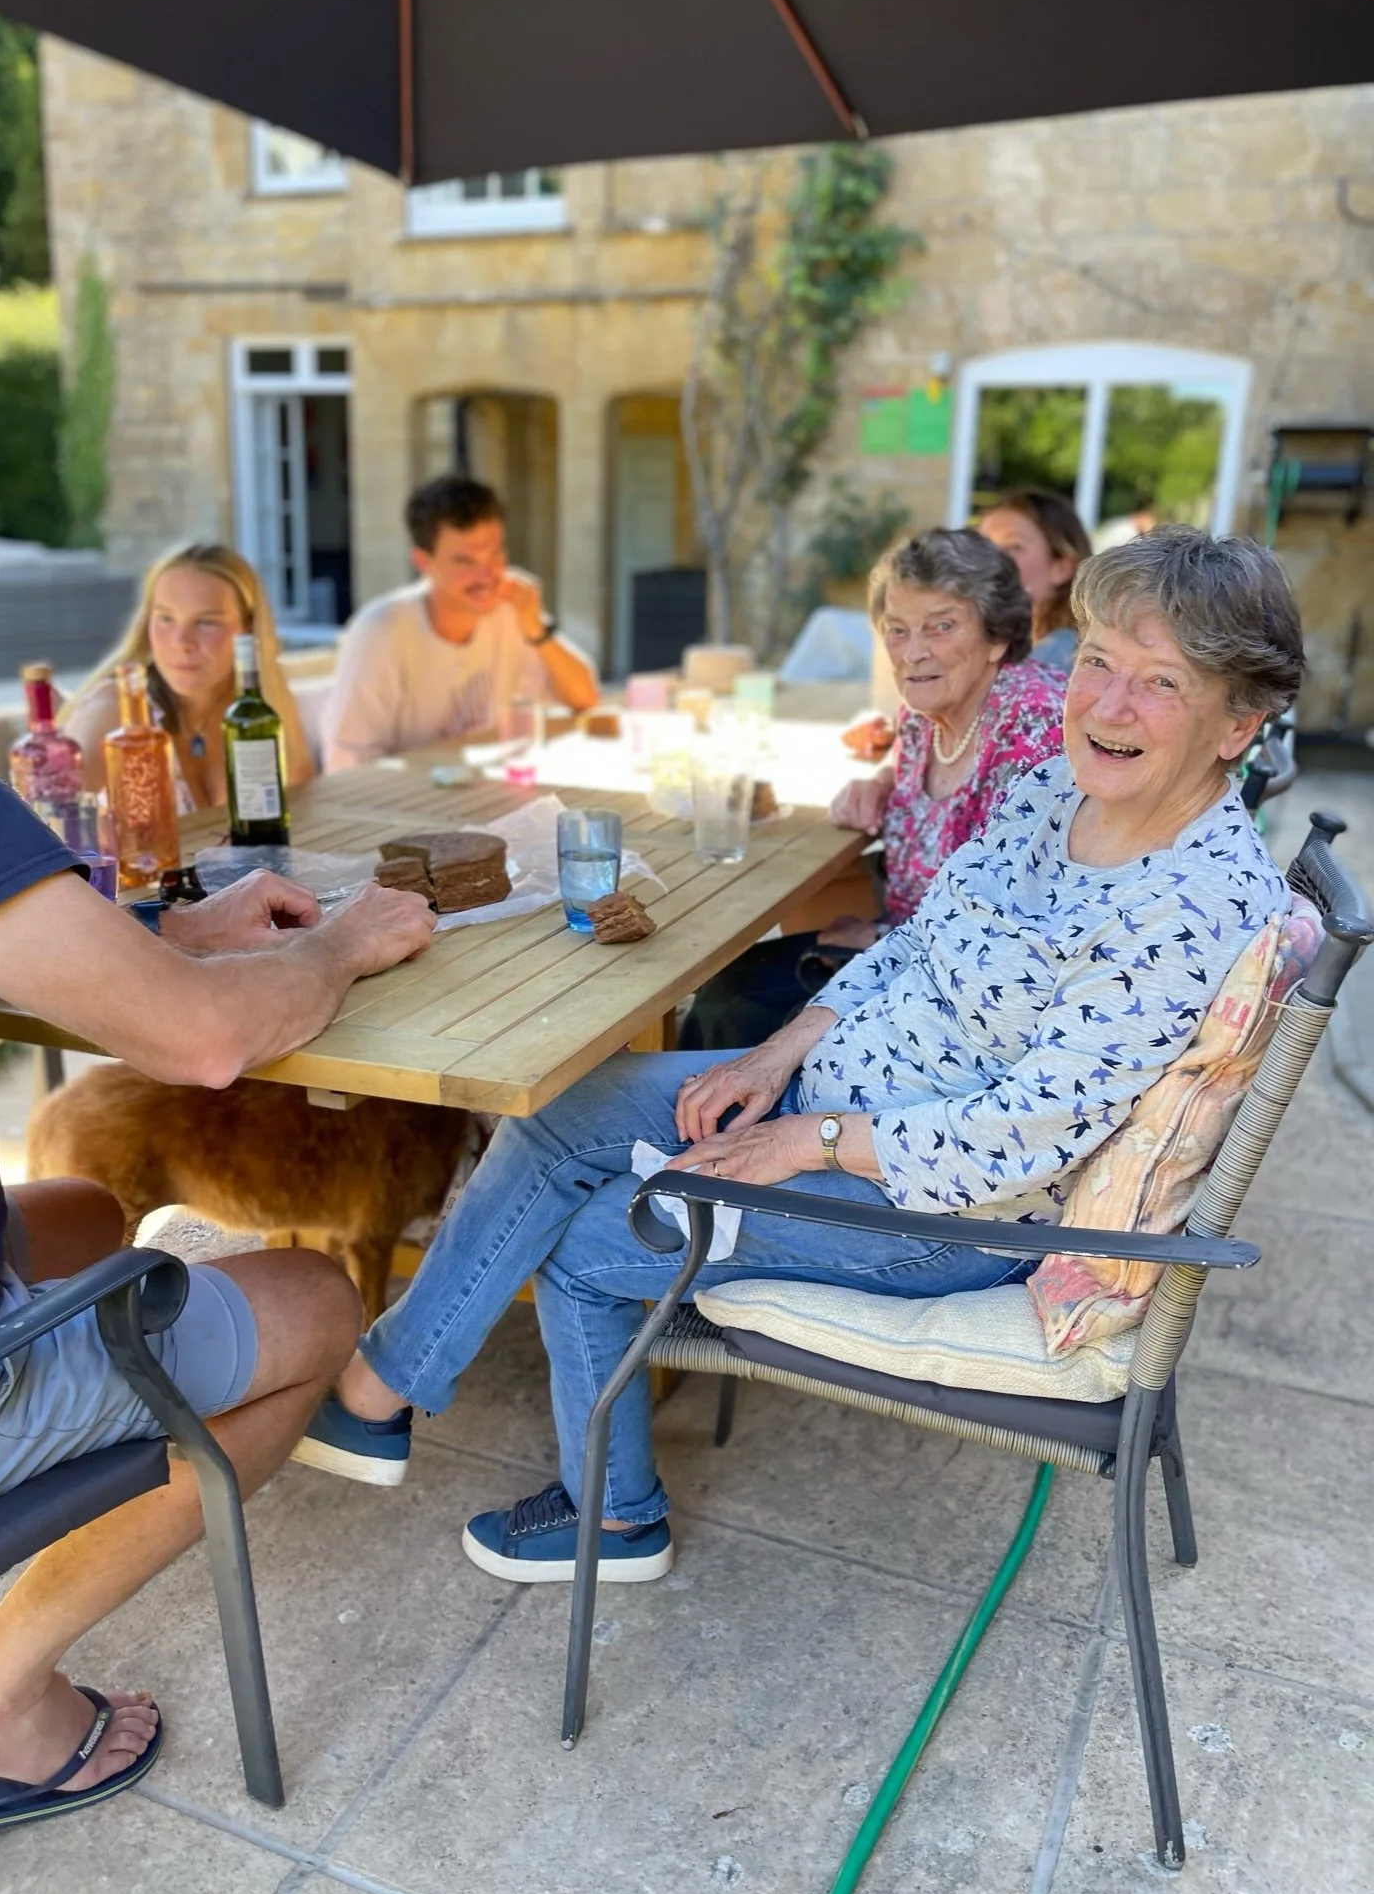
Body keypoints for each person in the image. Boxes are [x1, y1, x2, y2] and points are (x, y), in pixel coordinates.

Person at [301, 526, 1301, 1584]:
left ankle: (616, 1518)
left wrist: (805, 1143)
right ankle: (383, 1392)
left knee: (593, 1237)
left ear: (1239, 722)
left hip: (943, 1210)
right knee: (560, 1114)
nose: (1106, 704)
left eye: (1161, 683)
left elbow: (1020, 1135)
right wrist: (772, 1056)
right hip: (836, 1094)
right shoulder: (1059, 788)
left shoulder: (1195, 901)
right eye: (1098, 659)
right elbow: (918, 939)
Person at [0, 453, 436, 1837]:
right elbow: (201, 1046)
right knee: (316, 1300)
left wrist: (160, 936)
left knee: (81, 1216)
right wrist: (343, 942)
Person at [682, 527, 1065, 1050]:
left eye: (942, 627)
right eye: (897, 630)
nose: (912, 653)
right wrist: (881, 780)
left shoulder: (1036, 727)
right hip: (900, 954)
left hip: (965, 1000)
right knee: (728, 988)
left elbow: (1020, 926)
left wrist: (881, 940)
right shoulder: (921, 716)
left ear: (997, 636)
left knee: (739, 1014)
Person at [321, 475, 598, 771]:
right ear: (423, 562)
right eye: (465, 562)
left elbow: (585, 700)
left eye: (495, 555)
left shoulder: (512, 612)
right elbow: (346, 760)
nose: (486, 576)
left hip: (489, 792)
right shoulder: (381, 629)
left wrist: (536, 630)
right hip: (407, 801)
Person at [62, 543, 315, 811]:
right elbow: (42, 828)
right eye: (166, 619)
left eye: (206, 622)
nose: (181, 642)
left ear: (248, 630)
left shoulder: (260, 711)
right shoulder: (116, 710)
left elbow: (298, 818)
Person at [978, 489, 1093, 674]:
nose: (989, 558)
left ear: (1061, 568)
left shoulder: (1057, 653)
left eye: (1013, 547)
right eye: (982, 546)